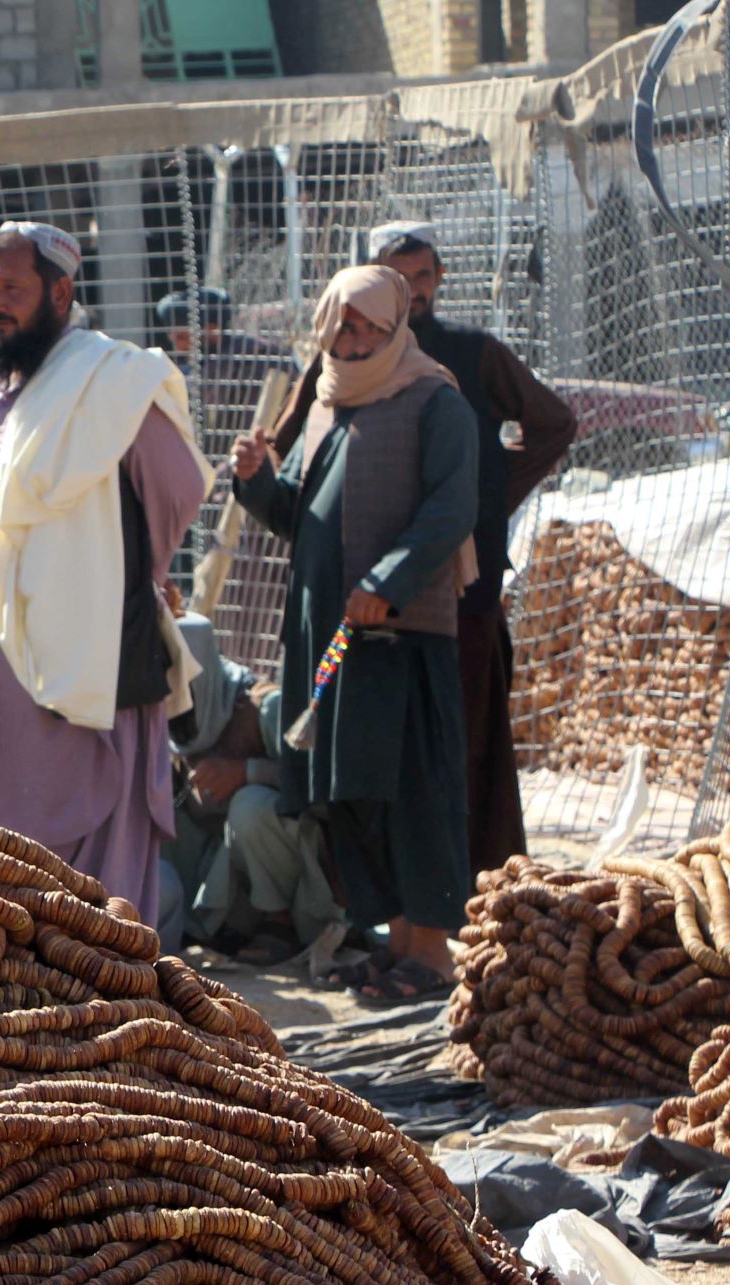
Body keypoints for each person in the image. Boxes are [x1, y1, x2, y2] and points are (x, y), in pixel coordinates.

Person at [0, 223, 212, 922]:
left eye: (11, 288)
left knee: (79, 895)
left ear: (59, 292)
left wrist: (133, 571)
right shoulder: (0, 394)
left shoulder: (108, 378)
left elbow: (176, 487)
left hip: (73, 681)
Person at [232, 264, 479, 1005]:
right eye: (346, 324)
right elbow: (301, 521)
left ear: (396, 329)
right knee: (352, 795)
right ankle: (394, 943)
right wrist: (254, 485)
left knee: (408, 790)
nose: (359, 338)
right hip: (326, 635)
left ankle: (430, 956)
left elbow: (450, 509)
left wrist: (388, 583)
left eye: (373, 325)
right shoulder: (323, 408)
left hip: (396, 637)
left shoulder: (433, 400)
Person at [371, 220, 577, 877]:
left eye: (425, 275)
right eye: (401, 278)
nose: (416, 289)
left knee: (466, 740)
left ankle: (474, 888)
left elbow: (553, 422)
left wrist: (488, 497)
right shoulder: (353, 355)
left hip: (465, 589)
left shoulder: (473, 353)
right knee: (385, 740)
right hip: (375, 589)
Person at [160, 615, 340, 961]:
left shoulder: (266, 709)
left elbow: (321, 788)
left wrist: (247, 772)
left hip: (308, 878)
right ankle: (198, 925)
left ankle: (279, 923)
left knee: (250, 805)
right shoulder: (167, 727)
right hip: (231, 875)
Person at [157, 286, 296, 442]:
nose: (179, 348)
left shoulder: (261, 358)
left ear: (211, 328)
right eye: (174, 340)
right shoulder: (206, 363)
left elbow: (259, 430)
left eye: (182, 337)